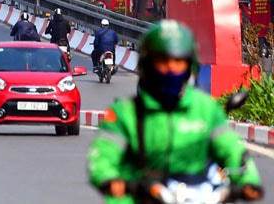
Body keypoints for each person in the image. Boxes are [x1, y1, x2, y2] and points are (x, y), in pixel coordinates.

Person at [87, 20, 263, 202]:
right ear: (148, 65)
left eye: (178, 62)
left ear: (189, 66)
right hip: (142, 195)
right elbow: (103, 156)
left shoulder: (205, 108)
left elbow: (232, 149)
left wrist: (248, 181)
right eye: (163, 62)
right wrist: (110, 179)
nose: (171, 68)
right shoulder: (127, 113)